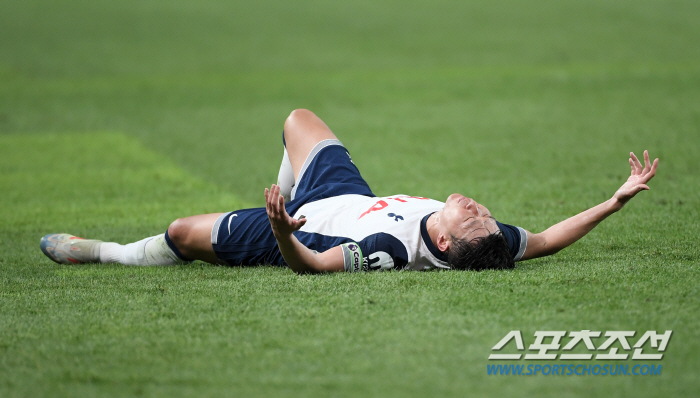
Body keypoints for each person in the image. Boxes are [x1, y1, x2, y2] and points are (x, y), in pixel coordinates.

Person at [40, 109, 659, 273]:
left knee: (180, 233)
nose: (479, 208)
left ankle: (104, 251)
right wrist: (615, 199)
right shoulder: (488, 244)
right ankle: (275, 194)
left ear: (441, 240)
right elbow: (548, 238)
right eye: (485, 215)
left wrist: (282, 229)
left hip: (303, 224)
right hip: (349, 191)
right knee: (298, 119)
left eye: (470, 217)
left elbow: (312, 266)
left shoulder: (389, 251)